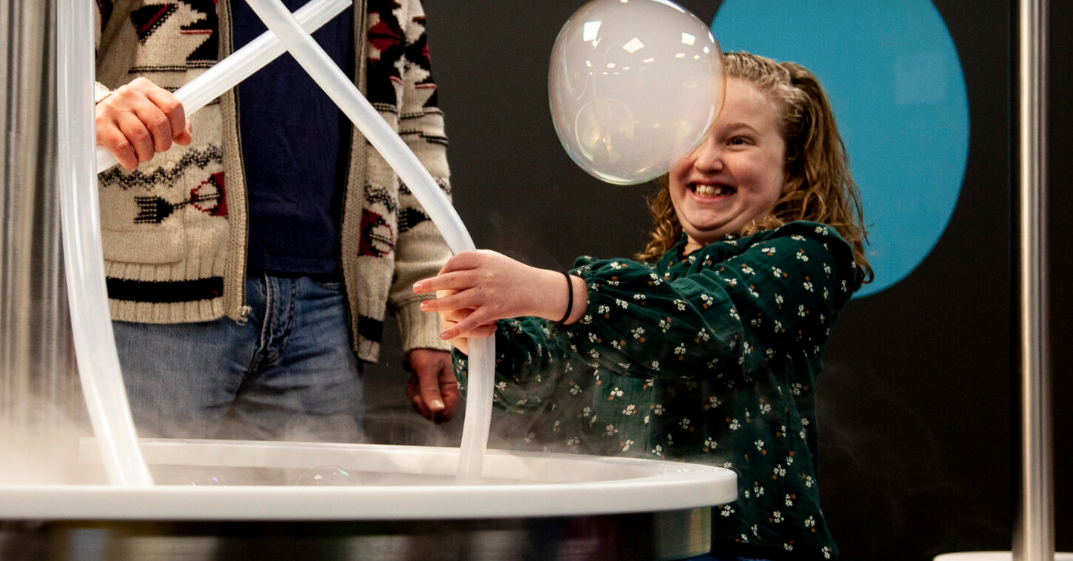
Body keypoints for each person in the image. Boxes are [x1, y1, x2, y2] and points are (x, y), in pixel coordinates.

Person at [414, 52, 871, 560]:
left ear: (794, 165)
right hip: (634, 542)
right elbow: (529, 386)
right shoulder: (646, 287)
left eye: (737, 140)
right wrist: (483, 330)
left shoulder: (807, 256)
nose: (706, 159)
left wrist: (552, 293)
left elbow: (705, 326)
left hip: (742, 549)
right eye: (691, 134)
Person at [92, 0, 459, 442]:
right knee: (132, 508)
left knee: (310, 511)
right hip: (153, 307)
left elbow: (414, 134)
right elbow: (39, 48)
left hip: (325, 314)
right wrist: (92, 102)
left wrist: (434, 313)